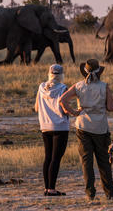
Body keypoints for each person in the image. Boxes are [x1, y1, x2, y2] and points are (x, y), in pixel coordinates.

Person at [59, 59, 113, 200]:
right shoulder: (104, 86)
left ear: (85, 71)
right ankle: (110, 193)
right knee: (104, 161)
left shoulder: (79, 86)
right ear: (99, 72)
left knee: (87, 162)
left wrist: (73, 112)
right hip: (101, 128)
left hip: (83, 126)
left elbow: (62, 100)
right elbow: (111, 107)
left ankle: (90, 192)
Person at [34, 64, 69, 196]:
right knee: (56, 158)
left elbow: (36, 107)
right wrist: (74, 112)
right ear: (61, 75)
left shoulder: (41, 87)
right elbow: (65, 108)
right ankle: (52, 189)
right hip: (60, 126)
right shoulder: (63, 88)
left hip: (45, 126)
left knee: (48, 157)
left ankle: (47, 188)